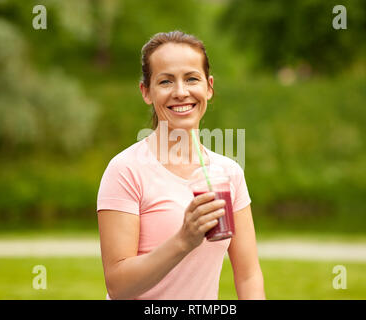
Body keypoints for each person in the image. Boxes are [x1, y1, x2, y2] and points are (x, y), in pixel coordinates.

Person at [96, 31, 265, 300]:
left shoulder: (229, 174)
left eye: (191, 79)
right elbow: (117, 286)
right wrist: (183, 241)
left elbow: (248, 275)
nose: (181, 92)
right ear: (146, 92)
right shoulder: (126, 171)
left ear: (208, 87)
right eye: (165, 81)